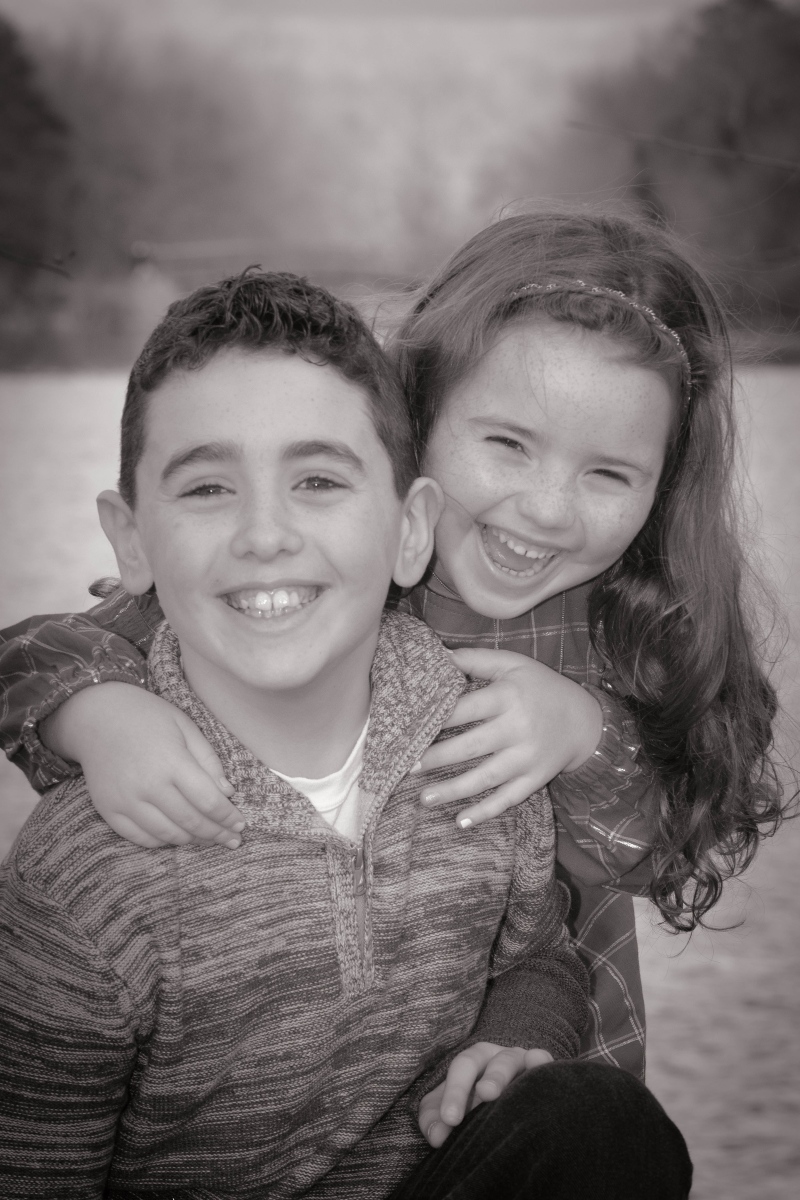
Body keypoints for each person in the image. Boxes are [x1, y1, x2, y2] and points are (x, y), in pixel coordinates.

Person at [0, 210, 787, 1084]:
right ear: (422, 409)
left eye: (609, 473)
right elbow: (40, 652)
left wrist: (584, 736)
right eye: (507, 444)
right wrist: (99, 716)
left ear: (664, 485)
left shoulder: (636, 621)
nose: (548, 509)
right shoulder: (325, 574)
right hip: (300, 1077)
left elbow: (673, 844)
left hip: (538, 1079)